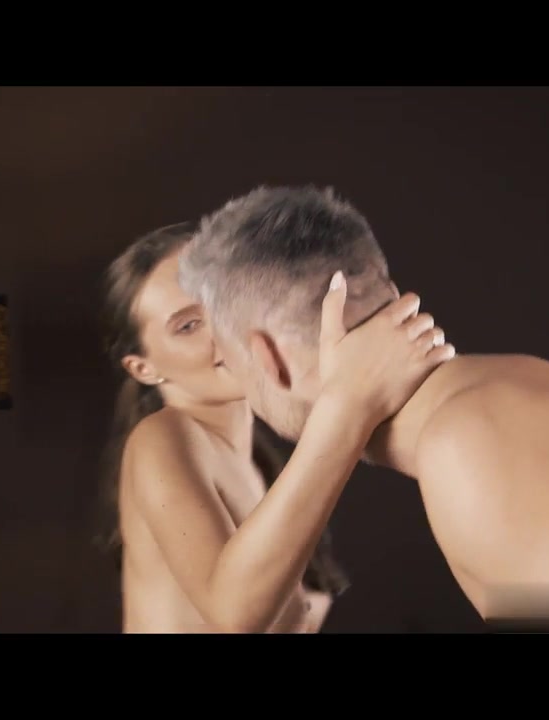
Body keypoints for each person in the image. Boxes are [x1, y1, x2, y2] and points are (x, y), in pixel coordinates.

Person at [179, 184, 549, 631]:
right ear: (386, 292)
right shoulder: (501, 396)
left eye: (228, 363)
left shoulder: (476, 438)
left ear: (267, 358)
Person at [96, 220, 454, 633]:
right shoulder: (161, 438)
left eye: (222, 300)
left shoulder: (255, 463)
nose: (222, 329)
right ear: (144, 368)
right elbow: (233, 613)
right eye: (188, 326)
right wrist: (348, 405)